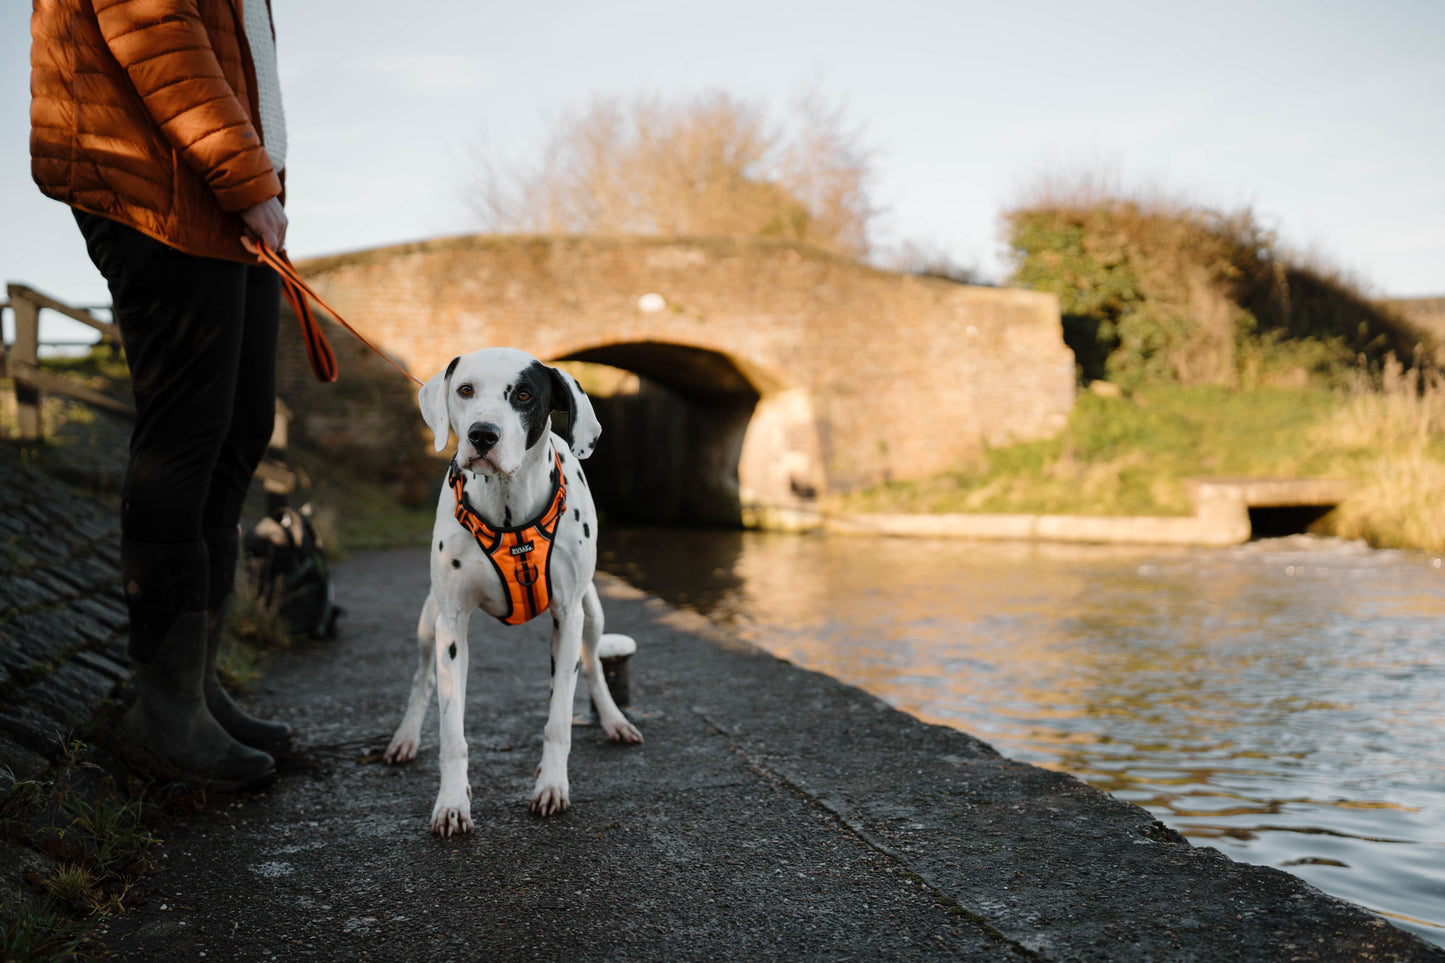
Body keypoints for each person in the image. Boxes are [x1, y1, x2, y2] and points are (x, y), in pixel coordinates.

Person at [31, 0, 294, 791]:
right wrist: (248, 178)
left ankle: (197, 692)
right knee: (187, 432)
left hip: (219, 194)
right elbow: (156, 30)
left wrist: (255, 184)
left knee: (240, 428)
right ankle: (161, 714)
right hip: (161, 188)